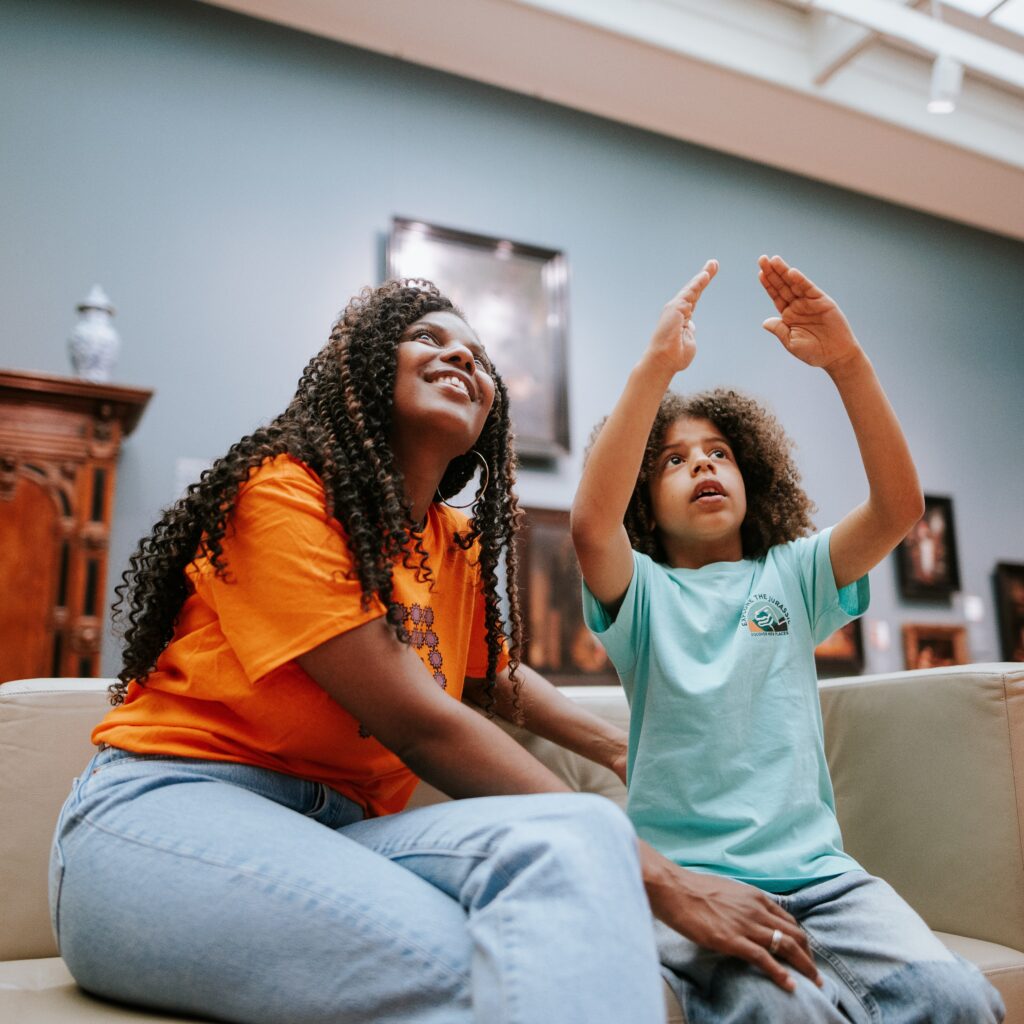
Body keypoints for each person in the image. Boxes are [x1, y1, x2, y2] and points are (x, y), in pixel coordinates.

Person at [49, 279, 817, 1024]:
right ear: (363, 373)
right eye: (428, 338)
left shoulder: (452, 546)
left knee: (578, 839)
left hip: (340, 828)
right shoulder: (281, 493)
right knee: (509, 971)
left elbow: (492, 682)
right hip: (166, 810)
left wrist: (625, 752)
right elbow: (422, 722)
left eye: (480, 357)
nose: (463, 360)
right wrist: (662, 878)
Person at [571, 256, 1005, 1023]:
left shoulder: (792, 577)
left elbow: (900, 506)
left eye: (718, 452)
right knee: (789, 1013)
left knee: (962, 999)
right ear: (645, 500)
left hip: (829, 882)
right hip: (697, 885)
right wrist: (654, 369)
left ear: (752, 476)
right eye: (672, 460)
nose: (702, 462)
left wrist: (847, 364)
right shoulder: (640, 595)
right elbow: (588, 527)